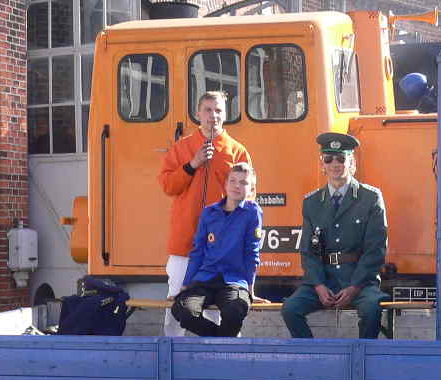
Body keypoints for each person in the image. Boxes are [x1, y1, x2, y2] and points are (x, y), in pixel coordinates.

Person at [157, 91, 251, 336]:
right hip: (185, 245)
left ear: (225, 114)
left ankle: (220, 353)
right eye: (208, 110)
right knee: (176, 303)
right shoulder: (182, 148)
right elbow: (168, 186)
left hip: (223, 248)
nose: (213, 116)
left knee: (221, 308)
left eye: (218, 110)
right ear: (197, 114)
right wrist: (192, 165)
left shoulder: (237, 151)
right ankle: (172, 354)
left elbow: (248, 198)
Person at [281, 132, 388, 339]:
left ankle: (362, 356)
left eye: (341, 158)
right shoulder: (312, 202)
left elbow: (376, 249)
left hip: (360, 281)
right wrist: (319, 285)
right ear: (322, 164)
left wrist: (354, 287)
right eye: (328, 159)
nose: (335, 164)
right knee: (290, 309)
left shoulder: (370, 198)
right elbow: (308, 251)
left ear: (352, 163)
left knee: (371, 309)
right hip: (325, 279)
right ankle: (314, 355)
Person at [171, 162, 262, 337]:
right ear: (225, 184)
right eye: (233, 181)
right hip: (205, 279)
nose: (237, 186)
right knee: (183, 310)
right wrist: (186, 285)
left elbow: (252, 254)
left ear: (251, 189)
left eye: (243, 182)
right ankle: (222, 344)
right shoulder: (209, 212)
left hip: (233, 281)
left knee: (235, 310)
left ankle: (220, 347)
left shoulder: (252, 212)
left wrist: (251, 291)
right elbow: (197, 252)